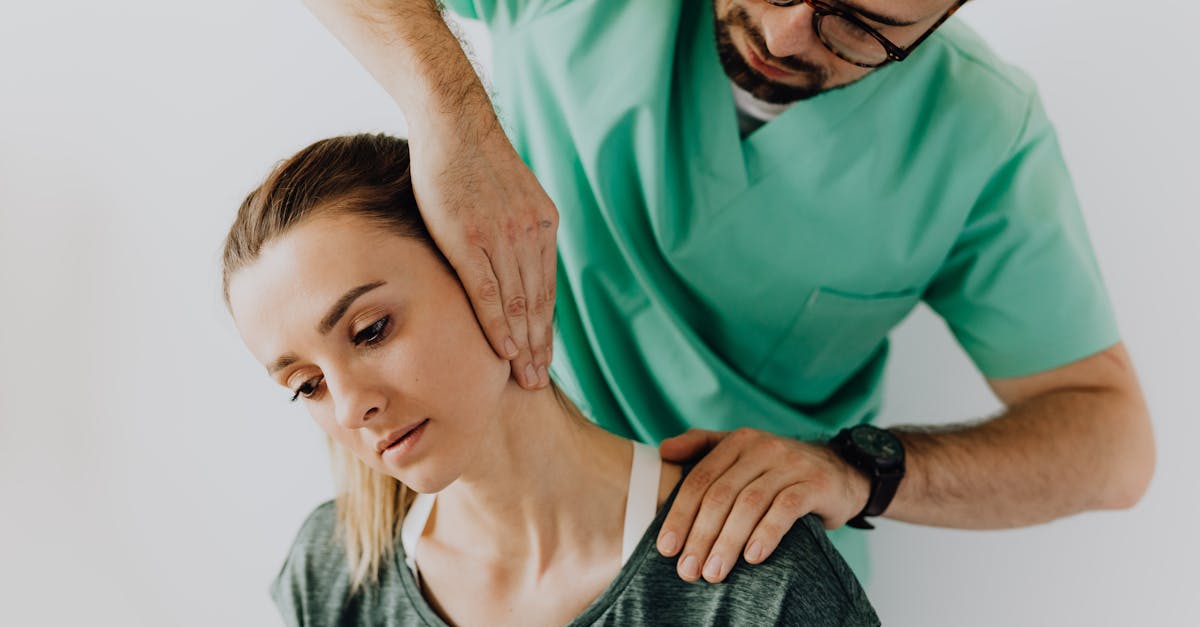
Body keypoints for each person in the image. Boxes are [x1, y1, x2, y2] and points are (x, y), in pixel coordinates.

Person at [301, 0, 1156, 585]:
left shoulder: (981, 132)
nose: (786, 35)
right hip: (487, 529)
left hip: (731, 570)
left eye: (861, 24)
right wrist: (453, 119)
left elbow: (1113, 445)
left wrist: (857, 471)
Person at [222, 133, 881, 626]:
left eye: (371, 330)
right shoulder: (333, 571)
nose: (353, 405)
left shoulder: (753, 579)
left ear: (493, 271)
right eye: (307, 384)